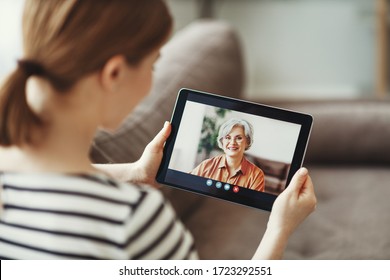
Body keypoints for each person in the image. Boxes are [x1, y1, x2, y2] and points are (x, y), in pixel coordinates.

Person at [0, 0, 316, 260]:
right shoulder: (131, 217)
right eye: (153, 65)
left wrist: (134, 172)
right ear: (114, 73)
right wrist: (280, 228)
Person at [191, 118, 265, 191]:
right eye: (228, 137)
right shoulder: (206, 165)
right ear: (222, 141)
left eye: (239, 138)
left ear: (247, 142)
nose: (232, 142)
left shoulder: (256, 175)